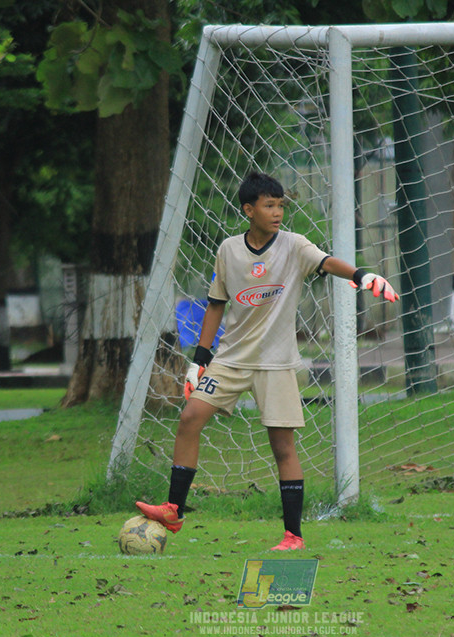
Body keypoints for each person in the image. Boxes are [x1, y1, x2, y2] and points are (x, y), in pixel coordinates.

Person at [137, 171, 398, 551]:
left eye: (281, 206)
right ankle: (174, 509)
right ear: (249, 210)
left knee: (282, 447)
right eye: (269, 205)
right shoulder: (229, 250)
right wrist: (199, 361)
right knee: (190, 417)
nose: (277, 212)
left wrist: (362, 275)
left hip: (276, 364)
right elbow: (216, 305)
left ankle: (293, 536)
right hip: (231, 360)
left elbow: (327, 262)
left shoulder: (294, 246)